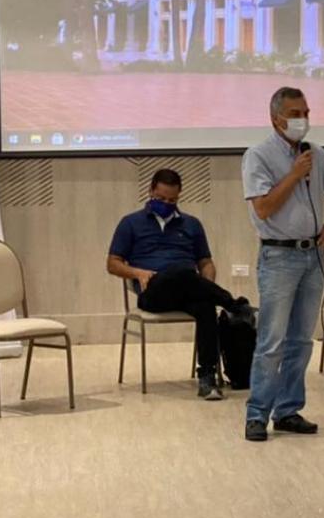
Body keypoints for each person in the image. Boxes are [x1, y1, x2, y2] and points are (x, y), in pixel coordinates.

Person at [241, 87, 324, 442]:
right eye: (294, 113)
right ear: (275, 118)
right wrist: (293, 174)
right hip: (278, 256)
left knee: (301, 340)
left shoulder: (314, 152)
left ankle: (288, 410)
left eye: (305, 112)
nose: (302, 119)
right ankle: (257, 414)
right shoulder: (258, 155)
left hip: (312, 255)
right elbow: (263, 208)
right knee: (271, 341)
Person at [107, 168, 252, 400]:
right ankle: (234, 305)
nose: (166, 204)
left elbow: (206, 263)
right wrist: (137, 272)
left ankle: (207, 376)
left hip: (187, 291)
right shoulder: (131, 223)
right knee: (180, 272)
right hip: (153, 291)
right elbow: (113, 264)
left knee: (205, 305)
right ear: (150, 191)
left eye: (172, 201)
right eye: (161, 198)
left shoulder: (191, 224)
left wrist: (205, 284)